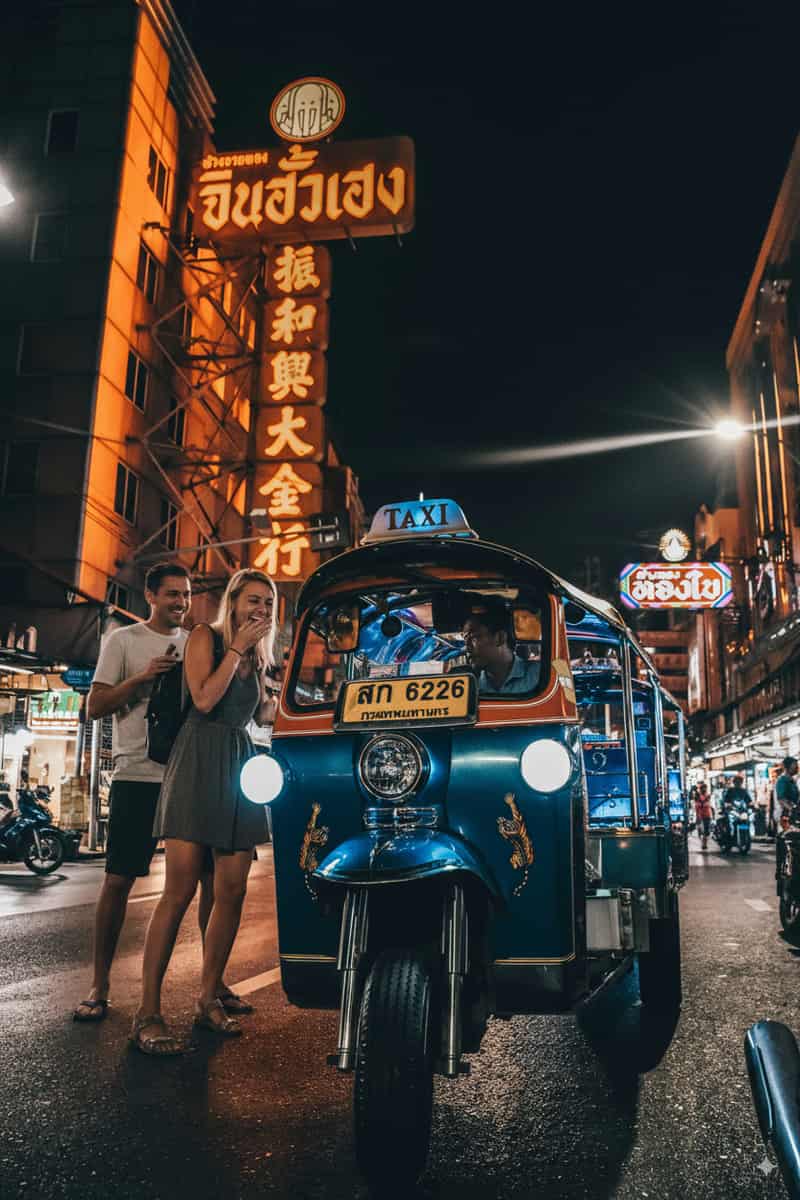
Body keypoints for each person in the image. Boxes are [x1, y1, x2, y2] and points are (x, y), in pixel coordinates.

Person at [130, 568, 277, 1054]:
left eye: (268, 604)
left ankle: (208, 995)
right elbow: (205, 697)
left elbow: (253, 717)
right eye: (253, 600)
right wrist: (236, 650)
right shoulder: (205, 637)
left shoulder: (257, 656)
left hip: (237, 762)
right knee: (181, 886)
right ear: (233, 601)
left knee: (232, 889)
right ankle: (147, 1011)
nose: (261, 610)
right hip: (196, 760)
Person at [72, 562, 194, 1022]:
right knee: (119, 880)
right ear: (150, 595)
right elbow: (95, 705)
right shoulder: (121, 641)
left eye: (185, 595)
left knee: (204, 882)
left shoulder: (196, 643)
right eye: (171, 595)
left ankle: (210, 988)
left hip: (185, 778)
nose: (180, 603)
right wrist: (143, 677)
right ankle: (99, 985)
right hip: (136, 776)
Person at [462, 597, 539, 695]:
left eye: (473, 638)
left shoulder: (538, 675)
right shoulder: (469, 685)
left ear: (500, 638)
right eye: (465, 639)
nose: (467, 647)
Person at [775, 757, 799, 826]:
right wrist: (792, 809)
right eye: (795, 765)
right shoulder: (782, 780)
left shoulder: (792, 780)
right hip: (785, 817)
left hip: (792, 816)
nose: (797, 767)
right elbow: (781, 799)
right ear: (787, 767)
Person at [694, 781, 714, 850]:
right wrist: (697, 816)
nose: (704, 790)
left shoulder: (708, 796)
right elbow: (697, 806)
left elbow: (710, 806)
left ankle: (704, 843)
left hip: (707, 815)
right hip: (701, 815)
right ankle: (704, 844)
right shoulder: (698, 796)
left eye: (705, 788)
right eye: (703, 788)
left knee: (706, 831)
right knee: (703, 830)